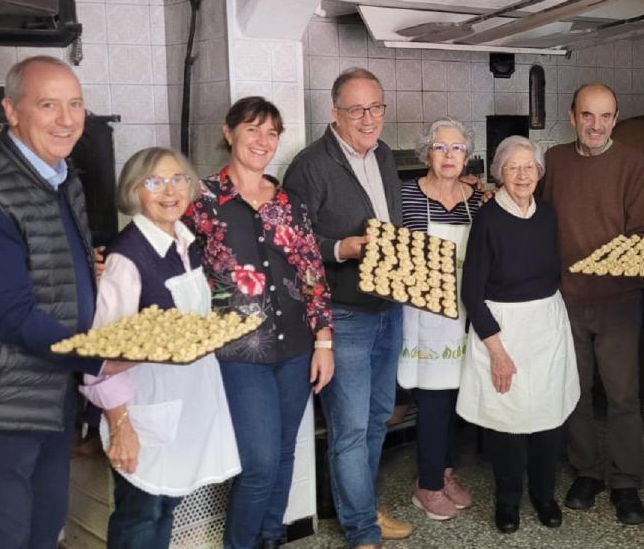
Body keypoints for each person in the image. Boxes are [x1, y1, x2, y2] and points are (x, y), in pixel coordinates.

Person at [0, 55, 126, 548]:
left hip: (46, 388)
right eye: (48, 104)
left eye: (75, 103)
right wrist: (106, 356)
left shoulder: (60, 178)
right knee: (0, 537)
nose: (67, 118)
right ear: (11, 112)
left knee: (41, 528)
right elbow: (14, 316)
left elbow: (43, 264)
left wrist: (89, 269)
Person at [185, 97, 335, 549]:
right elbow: (170, 259)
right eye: (253, 129)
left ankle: (271, 537)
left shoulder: (290, 203)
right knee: (260, 464)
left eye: (272, 132)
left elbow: (312, 272)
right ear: (229, 134)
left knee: (286, 452)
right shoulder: (201, 200)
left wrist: (324, 342)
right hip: (238, 352)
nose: (263, 141)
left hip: (295, 349)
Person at [80, 147, 241, 548]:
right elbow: (98, 359)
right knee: (141, 513)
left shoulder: (187, 245)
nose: (169, 191)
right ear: (135, 191)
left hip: (184, 410)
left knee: (166, 506)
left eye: (178, 179)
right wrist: (121, 427)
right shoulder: (126, 258)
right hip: (143, 412)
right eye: (154, 182)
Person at [283, 68, 411, 548]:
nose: (368, 118)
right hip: (344, 314)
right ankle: (362, 531)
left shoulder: (383, 157)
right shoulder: (310, 165)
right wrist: (342, 249)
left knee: (379, 417)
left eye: (375, 107)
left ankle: (365, 510)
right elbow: (293, 245)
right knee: (350, 428)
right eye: (356, 109)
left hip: (387, 309)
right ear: (334, 113)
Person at [540, 82, 644, 525]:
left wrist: (612, 269)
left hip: (618, 302)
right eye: (587, 115)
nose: (596, 125)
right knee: (576, 392)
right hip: (567, 299)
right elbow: (537, 217)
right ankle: (587, 472)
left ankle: (626, 481)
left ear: (614, 117)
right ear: (573, 116)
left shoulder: (632, 165)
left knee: (624, 395)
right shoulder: (554, 161)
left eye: (605, 116)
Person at [457, 136, 580, 534]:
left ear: (540, 173)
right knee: (506, 421)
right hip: (503, 329)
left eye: (530, 167)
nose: (523, 174)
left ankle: (544, 495)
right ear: (500, 174)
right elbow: (471, 294)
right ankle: (507, 501)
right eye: (514, 167)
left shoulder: (548, 216)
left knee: (547, 418)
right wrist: (497, 350)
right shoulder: (488, 220)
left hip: (546, 326)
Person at [398, 117, 483, 521]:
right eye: (440, 148)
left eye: (457, 148)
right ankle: (427, 485)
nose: (449, 156)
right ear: (426, 153)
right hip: (425, 315)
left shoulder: (477, 199)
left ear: (467, 155)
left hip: (466, 310)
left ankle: (445, 472)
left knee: (455, 399)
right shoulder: (406, 197)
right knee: (432, 399)